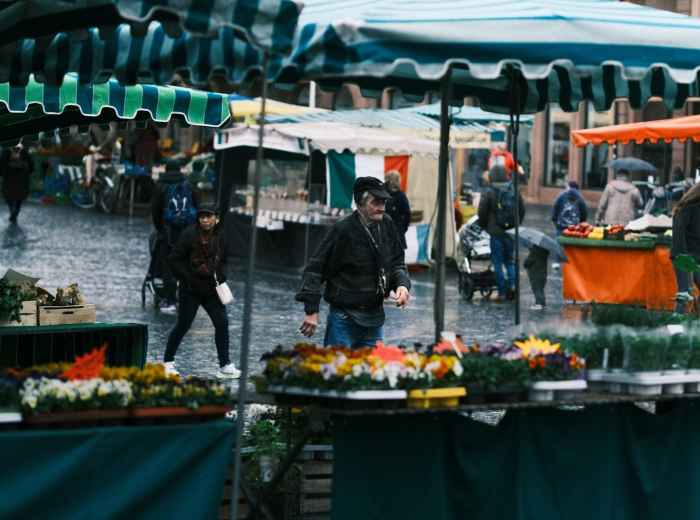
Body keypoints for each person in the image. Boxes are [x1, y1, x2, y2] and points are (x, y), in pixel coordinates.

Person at [296, 177, 411, 347]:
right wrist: (311, 311)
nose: (382, 207)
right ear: (360, 204)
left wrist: (401, 285)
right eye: (376, 202)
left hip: (374, 319)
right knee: (337, 372)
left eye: (384, 202)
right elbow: (315, 269)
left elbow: (397, 263)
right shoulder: (342, 230)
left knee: (372, 372)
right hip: (344, 319)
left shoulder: (386, 224)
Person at [163, 203, 240, 379]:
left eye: (208, 216)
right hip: (190, 290)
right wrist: (187, 278)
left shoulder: (221, 236)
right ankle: (167, 363)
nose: (205, 220)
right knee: (183, 325)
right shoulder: (189, 234)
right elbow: (174, 259)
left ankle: (225, 365)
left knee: (222, 323)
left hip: (212, 290)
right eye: (202, 216)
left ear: (216, 218)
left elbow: (225, 260)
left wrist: (221, 276)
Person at [151, 160, 199, 312]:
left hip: (169, 233)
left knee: (168, 266)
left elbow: (155, 211)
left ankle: (170, 300)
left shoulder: (161, 186)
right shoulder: (189, 186)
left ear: (166, 169)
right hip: (188, 233)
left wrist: (160, 229)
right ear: (180, 169)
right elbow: (197, 207)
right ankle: (186, 299)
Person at [477, 165, 526, 301]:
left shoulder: (490, 191)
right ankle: (513, 287)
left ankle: (502, 292)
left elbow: (482, 212)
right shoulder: (514, 190)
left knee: (497, 262)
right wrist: (515, 224)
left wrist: (485, 226)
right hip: (511, 232)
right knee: (510, 261)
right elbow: (521, 210)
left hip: (496, 232)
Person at [671, 183, 700, 313]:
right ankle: (675, 329)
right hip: (683, 257)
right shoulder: (685, 208)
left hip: (695, 257)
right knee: (684, 294)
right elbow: (679, 235)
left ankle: (693, 323)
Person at [0, 143, 33, 224]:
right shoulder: (22, 151)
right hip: (20, 178)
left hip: (9, 178)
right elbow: (30, 166)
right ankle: (15, 210)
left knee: (9, 196)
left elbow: (1, 165)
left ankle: (12, 210)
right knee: (19, 197)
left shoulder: (6, 150)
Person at [384, 170, 411, 249]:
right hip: (387, 234)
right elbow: (407, 214)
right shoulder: (383, 194)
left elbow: (407, 215)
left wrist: (402, 229)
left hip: (395, 233)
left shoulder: (400, 195)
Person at [524, 245, 549, 310]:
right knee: (540, 289)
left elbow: (527, 262)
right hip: (543, 274)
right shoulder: (545, 251)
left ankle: (539, 304)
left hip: (535, 274)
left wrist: (525, 263)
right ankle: (543, 303)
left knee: (536, 289)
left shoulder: (534, 252)